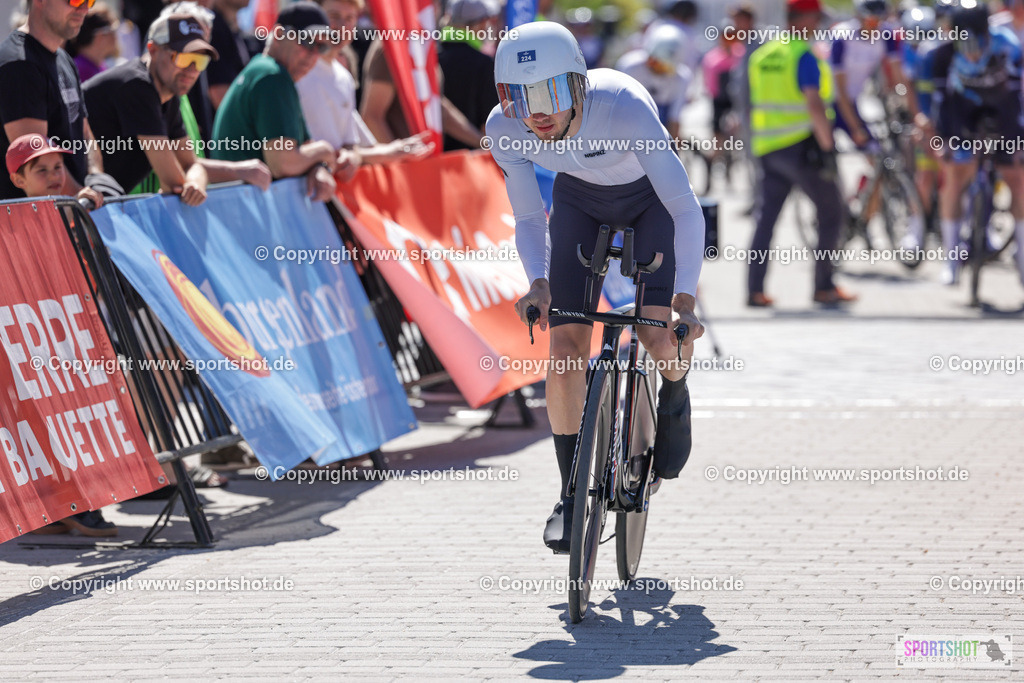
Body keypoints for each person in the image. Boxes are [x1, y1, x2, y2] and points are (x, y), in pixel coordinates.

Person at [486, 21, 705, 554]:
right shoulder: (506, 128)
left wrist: (685, 297)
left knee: (655, 338)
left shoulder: (624, 106)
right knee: (563, 351)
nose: (536, 111)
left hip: (651, 201)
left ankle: (674, 388)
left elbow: (683, 206)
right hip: (580, 203)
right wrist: (538, 283)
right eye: (518, 96)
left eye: (551, 93)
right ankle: (570, 492)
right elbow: (530, 217)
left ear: (579, 86)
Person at [83, 10, 272, 203]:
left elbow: (191, 165)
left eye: (199, 61)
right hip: (71, 204)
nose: (191, 70)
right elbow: (175, 183)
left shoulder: (168, 93)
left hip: (92, 207)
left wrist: (196, 181)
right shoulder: (137, 86)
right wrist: (194, 182)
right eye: (182, 57)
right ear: (153, 50)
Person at [747, 0, 854, 308]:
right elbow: (814, 104)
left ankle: (754, 291)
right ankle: (824, 287)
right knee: (832, 212)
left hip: (768, 148)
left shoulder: (763, 55)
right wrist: (828, 148)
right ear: (804, 19)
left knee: (765, 220)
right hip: (803, 149)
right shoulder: (803, 55)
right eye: (817, 17)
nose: (819, 23)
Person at [211, 1, 351, 202]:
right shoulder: (272, 76)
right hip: (242, 209)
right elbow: (284, 163)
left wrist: (318, 166)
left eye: (321, 47)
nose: (313, 55)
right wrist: (325, 151)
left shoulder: (270, 72)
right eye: (307, 42)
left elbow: (304, 148)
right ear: (278, 35)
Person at [927, 2, 1024, 287]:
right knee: (956, 178)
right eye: (963, 44)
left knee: (1017, 179)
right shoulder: (942, 54)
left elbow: (1019, 96)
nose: (971, 52)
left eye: (978, 44)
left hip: (1004, 111)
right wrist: (943, 141)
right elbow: (941, 103)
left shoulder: (1008, 45)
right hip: (963, 113)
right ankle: (952, 258)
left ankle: (1021, 257)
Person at [0, 0, 109, 204]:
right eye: (75, 0)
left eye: (90, 1)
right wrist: (83, 201)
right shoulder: (19, 64)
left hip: (68, 213)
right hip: (31, 226)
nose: (85, 8)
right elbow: (36, 159)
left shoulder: (64, 59)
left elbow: (85, 133)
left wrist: (96, 180)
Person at [296, 0, 432, 164]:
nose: (342, 26)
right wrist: (389, 152)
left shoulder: (343, 76)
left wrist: (398, 149)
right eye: (334, 16)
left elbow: (352, 148)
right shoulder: (298, 71)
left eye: (350, 18)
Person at [360, 38, 485, 147]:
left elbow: (437, 107)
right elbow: (372, 117)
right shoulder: (390, 47)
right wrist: (402, 164)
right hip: (403, 168)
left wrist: (482, 143)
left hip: (423, 163)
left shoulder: (424, 45)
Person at [437, 0, 501, 151]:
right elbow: (489, 125)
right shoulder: (485, 64)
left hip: (434, 159)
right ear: (481, 23)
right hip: (472, 163)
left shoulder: (432, 58)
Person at [615, 23, 692, 141]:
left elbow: (674, 117)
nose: (655, 65)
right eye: (653, 59)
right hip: (632, 113)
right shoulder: (630, 67)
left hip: (662, 117)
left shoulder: (681, 77)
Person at [66, 3, 120, 83]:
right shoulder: (79, 69)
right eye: (112, 31)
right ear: (100, 36)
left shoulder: (100, 66)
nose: (116, 37)